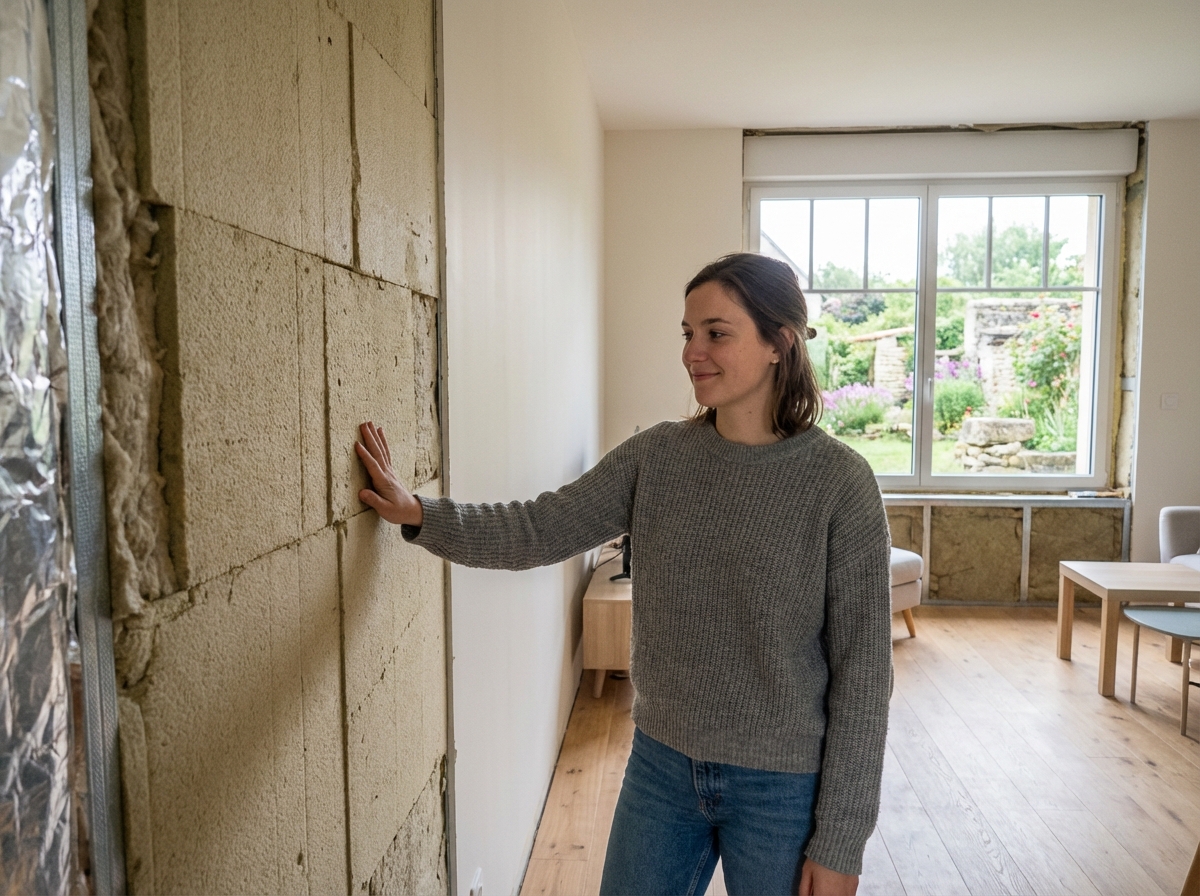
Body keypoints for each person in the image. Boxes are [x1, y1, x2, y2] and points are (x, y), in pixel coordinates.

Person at [355, 252, 892, 896]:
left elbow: (864, 676)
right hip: (662, 769)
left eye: (717, 333)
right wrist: (420, 513)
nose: (694, 351)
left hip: (783, 787)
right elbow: (541, 527)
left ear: (781, 342)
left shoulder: (840, 483)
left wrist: (841, 841)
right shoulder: (657, 457)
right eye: (688, 334)